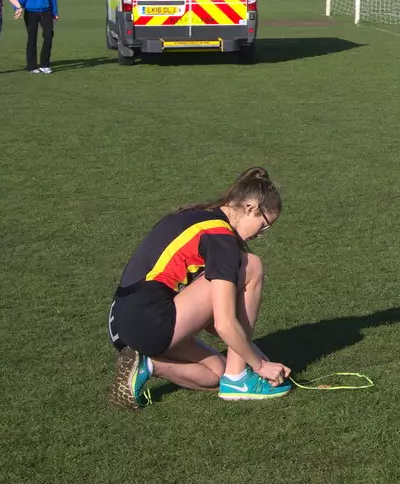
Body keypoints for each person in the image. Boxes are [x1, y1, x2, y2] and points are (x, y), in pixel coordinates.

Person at [107, 167, 290, 409]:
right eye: (264, 226)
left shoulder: (195, 215)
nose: (260, 235)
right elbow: (223, 323)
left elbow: (204, 316)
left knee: (217, 373)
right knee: (252, 265)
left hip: (121, 324)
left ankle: (145, 364)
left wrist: (249, 351)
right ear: (250, 208)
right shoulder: (221, 237)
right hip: (148, 320)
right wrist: (259, 365)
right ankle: (239, 380)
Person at [16, 0, 59, 73]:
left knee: (49, 36)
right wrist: (18, 9)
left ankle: (44, 64)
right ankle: (32, 65)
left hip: (46, 11)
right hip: (31, 12)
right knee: (32, 38)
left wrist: (55, 11)